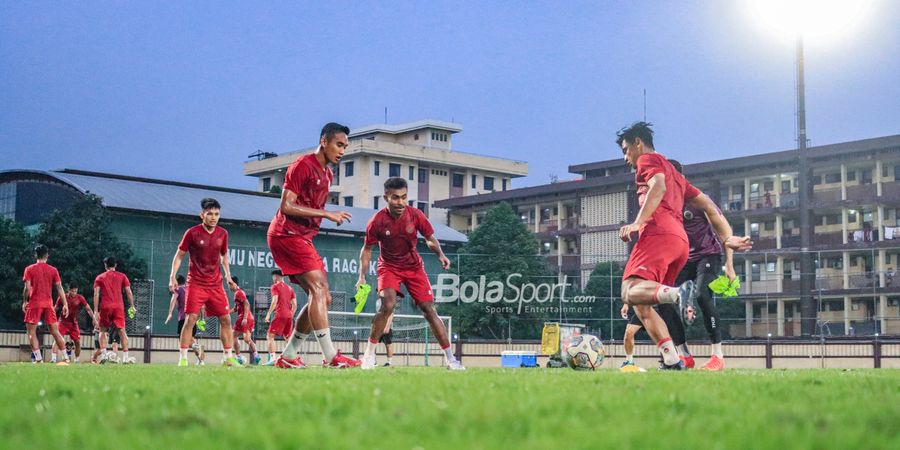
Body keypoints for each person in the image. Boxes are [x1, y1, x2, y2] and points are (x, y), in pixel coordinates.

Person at [616, 122, 751, 370]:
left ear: (638, 142)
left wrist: (638, 222)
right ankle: (672, 359)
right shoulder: (678, 176)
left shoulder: (649, 160)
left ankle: (679, 294)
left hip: (658, 233)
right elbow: (710, 206)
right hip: (680, 244)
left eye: (626, 150)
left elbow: (658, 186)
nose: (626, 158)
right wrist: (727, 238)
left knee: (628, 290)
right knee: (644, 303)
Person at [268, 122, 360, 369]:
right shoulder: (302, 166)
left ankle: (288, 356)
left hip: (301, 237)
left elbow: (311, 209)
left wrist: (323, 215)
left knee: (323, 297)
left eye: (345, 146)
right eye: (339, 145)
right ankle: (331, 357)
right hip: (286, 234)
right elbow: (286, 206)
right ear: (324, 142)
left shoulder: (328, 174)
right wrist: (327, 215)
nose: (342, 151)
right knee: (318, 289)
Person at [356, 177, 464, 370]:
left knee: (429, 310)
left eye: (404, 197)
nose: (401, 202)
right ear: (386, 197)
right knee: (387, 305)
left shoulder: (415, 215)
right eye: (395, 198)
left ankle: (451, 360)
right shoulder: (377, 221)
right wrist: (362, 276)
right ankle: (369, 356)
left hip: (414, 268)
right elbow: (367, 249)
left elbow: (430, 238)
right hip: (388, 267)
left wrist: (440, 254)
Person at [169, 198, 240, 367]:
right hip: (196, 284)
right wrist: (172, 276)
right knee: (191, 319)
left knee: (226, 319)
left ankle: (227, 357)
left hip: (216, 285)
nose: (213, 217)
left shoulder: (223, 234)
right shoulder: (192, 233)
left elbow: (224, 257)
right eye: (210, 214)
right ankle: (183, 359)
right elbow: (179, 255)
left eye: (216, 214)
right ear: (202, 215)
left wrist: (228, 277)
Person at [22, 244, 71, 364]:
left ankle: (39, 359)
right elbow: (59, 288)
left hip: (34, 303)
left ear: (35, 255)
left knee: (31, 332)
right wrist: (65, 304)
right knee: (55, 331)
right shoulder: (53, 270)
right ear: (47, 255)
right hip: (48, 304)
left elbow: (27, 288)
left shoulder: (29, 269)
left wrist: (24, 301)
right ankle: (66, 358)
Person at [93, 256, 137, 364]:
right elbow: (129, 292)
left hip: (105, 306)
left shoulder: (100, 277)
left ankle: (103, 355)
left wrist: (95, 310)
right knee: (122, 331)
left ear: (105, 265)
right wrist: (132, 305)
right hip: (118, 307)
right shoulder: (122, 276)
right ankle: (126, 358)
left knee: (102, 331)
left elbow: (96, 294)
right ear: (115, 265)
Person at [165, 274, 205, 365]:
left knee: (183, 340)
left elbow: (173, 299)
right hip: (193, 319)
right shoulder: (189, 290)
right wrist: (201, 318)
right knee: (191, 339)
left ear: (176, 283)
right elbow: (201, 305)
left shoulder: (178, 290)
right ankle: (201, 360)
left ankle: (184, 358)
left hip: (183, 319)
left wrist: (170, 313)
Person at [51, 285, 97, 363]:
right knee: (57, 339)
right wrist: (51, 317)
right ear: (68, 290)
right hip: (63, 322)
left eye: (76, 291)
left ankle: (77, 360)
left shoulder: (80, 298)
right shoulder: (62, 297)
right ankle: (53, 358)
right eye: (73, 291)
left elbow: (88, 309)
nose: (74, 293)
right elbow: (55, 308)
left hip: (73, 323)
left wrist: (94, 319)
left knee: (77, 342)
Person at [263, 270, 296, 365]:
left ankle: (273, 359)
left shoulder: (275, 286)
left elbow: (274, 301)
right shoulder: (290, 288)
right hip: (289, 316)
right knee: (288, 338)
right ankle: (292, 358)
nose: (273, 278)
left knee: (270, 336)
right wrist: (290, 314)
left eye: (273, 276)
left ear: (276, 277)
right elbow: (294, 304)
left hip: (280, 314)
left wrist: (268, 314)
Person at [231, 276, 259, 365]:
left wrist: (245, 318)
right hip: (248, 318)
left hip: (244, 317)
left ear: (234, 284)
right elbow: (236, 308)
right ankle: (256, 355)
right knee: (247, 339)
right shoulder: (237, 294)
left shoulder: (239, 293)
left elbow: (247, 304)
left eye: (229, 284)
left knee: (233, 336)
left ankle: (238, 357)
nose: (229, 286)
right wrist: (226, 312)